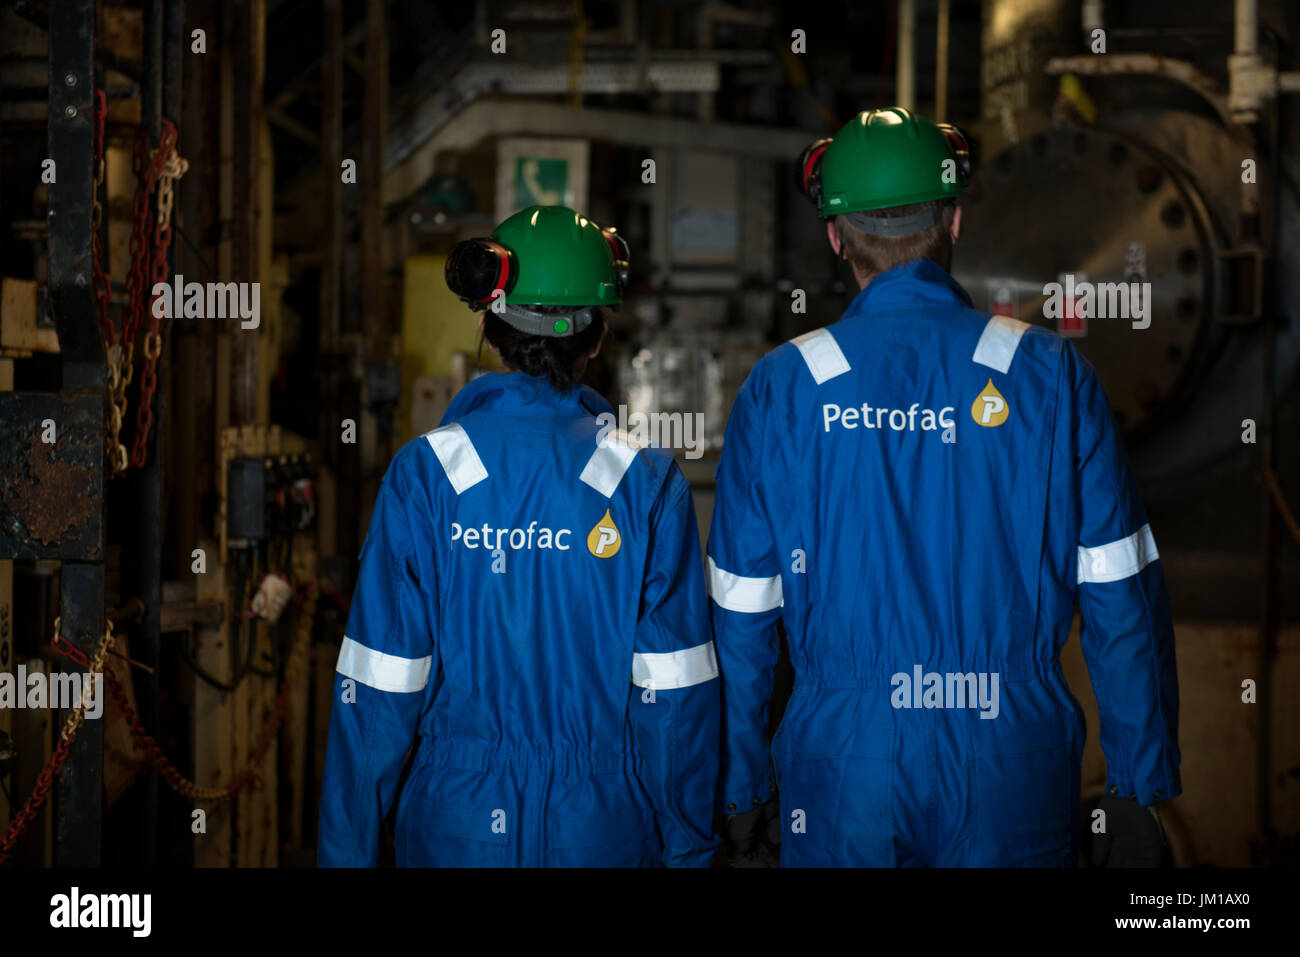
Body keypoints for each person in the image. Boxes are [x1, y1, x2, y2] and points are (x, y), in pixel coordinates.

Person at [709, 108, 1180, 867]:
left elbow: (740, 615)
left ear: (836, 237)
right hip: (1010, 757)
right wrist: (1137, 783)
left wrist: (739, 789)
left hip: (841, 766)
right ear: (955, 221)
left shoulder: (784, 385)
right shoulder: (1050, 373)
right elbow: (1120, 592)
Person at [318, 205, 720, 867]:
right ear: (597, 336)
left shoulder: (427, 474)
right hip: (602, 831)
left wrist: (344, 855)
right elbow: (674, 696)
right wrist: (690, 848)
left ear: (487, 322)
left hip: (457, 828)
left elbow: (378, 690)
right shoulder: (645, 481)